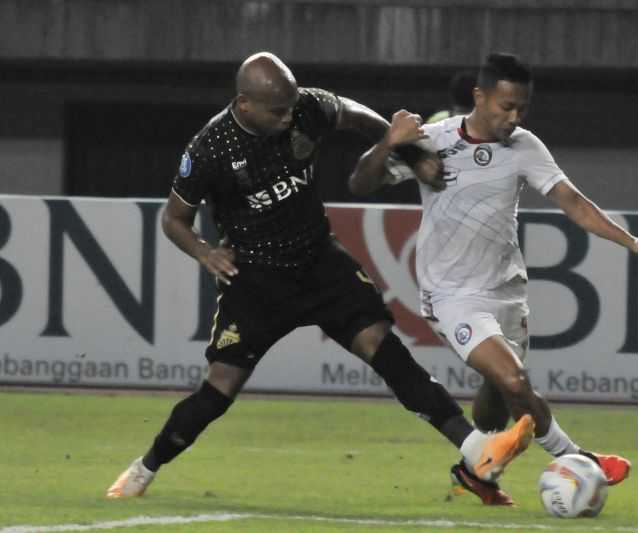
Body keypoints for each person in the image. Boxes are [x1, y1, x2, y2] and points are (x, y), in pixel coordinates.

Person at [105, 52, 534, 499]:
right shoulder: (210, 149)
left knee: (386, 352)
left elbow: (359, 118)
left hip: (320, 264)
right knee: (219, 390)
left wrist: (406, 149)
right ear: (244, 104)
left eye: (292, 106)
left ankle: (476, 450)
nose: (290, 116)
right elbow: (174, 219)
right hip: (256, 281)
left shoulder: (305, 107)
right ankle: (144, 468)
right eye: (278, 111)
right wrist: (204, 252)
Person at [349, 53, 638, 505]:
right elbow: (360, 184)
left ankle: (476, 471)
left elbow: (572, 202)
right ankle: (581, 459)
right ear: (479, 97)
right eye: (505, 106)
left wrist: (632, 241)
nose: (513, 117)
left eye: (522, 107)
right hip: (452, 295)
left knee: (499, 400)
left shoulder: (525, 145)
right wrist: (388, 143)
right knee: (517, 382)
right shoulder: (431, 140)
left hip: (507, 291)